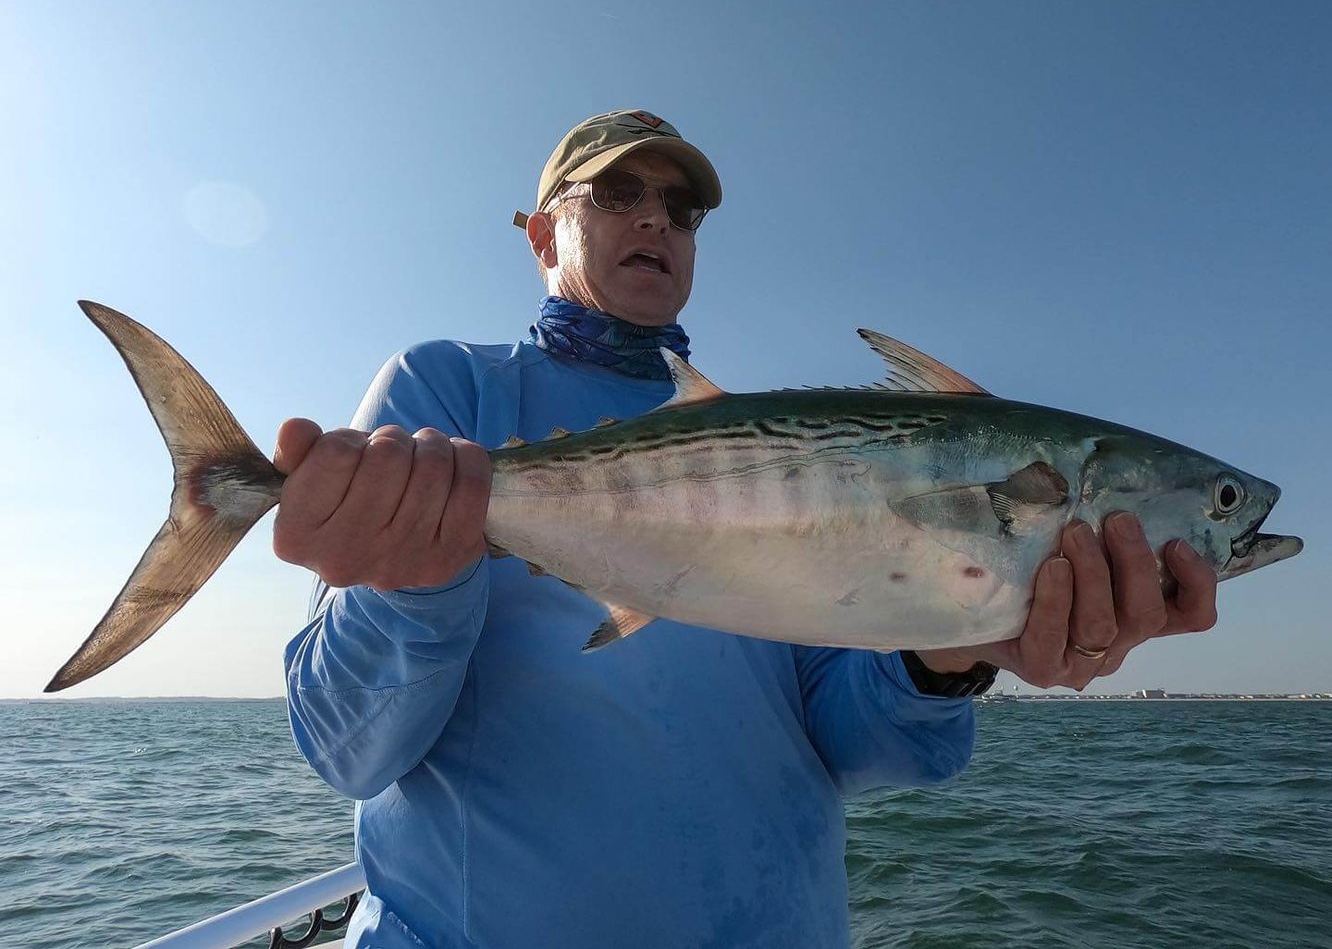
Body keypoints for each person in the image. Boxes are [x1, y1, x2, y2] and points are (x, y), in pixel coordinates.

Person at [276, 110, 1218, 948]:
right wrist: (415, 591)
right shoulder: (450, 398)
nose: (655, 218)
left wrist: (948, 653)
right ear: (540, 235)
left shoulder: (784, 448)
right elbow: (348, 747)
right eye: (617, 191)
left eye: (682, 210)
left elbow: (860, 748)